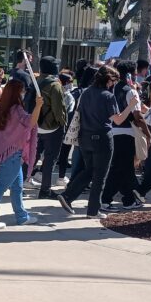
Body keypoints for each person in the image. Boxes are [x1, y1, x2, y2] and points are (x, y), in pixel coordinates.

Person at [57, 66, 138, 218]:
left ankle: (68, 195)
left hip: (84, 137)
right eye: (114, 80)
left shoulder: (86, 92)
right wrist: (130, 106)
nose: (114, 83)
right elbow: (119, 120)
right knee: (100, 175)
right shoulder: (108, 96)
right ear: (108, 79)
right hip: (102, 138)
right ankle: (92, 210)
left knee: (90, 171)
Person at [0, 79, 43, 229]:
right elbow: (31, 122)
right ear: (17, 92)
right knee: (1, 187)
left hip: (6, 154)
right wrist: (38, 106)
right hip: (13, 155)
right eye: (22, 91)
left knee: (17, 187)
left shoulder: (2, 107)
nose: (23, 93)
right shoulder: (16, 109)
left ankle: (22, 216)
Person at [100, 61, 148, 211]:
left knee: (124, 168)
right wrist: (147, 133)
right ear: (132, 73)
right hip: (126, 133)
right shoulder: (130, 91)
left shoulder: (109, 89)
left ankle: (128, 199)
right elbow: (137, 116)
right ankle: (107, 199)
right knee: (121, 168)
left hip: (110, 131)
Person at [33, 55, 67, 198]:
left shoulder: (35, 81)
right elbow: (59, 110)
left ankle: (19, 182)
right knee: (50, 159)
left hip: (35, 124)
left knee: (32, 156)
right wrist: (63, 124)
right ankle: (45, 190)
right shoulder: (55, 85)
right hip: (51, 127)